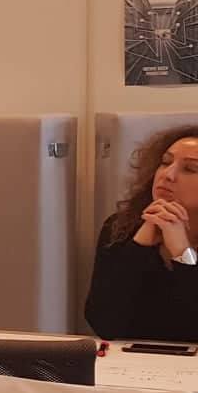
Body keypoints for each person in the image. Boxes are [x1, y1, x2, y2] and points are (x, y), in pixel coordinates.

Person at [85, 126, 198, 342]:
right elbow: (104, 323)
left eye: (190, 169)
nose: (168, 175)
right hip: (131, 360)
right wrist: (139, 246)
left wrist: (182, 254)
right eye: (165, 162)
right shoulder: (120, 227)